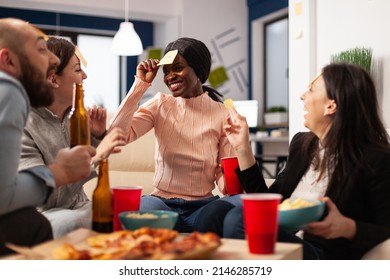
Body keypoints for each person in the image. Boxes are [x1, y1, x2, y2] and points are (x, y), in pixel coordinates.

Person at [202, 62, 390, 259]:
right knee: (214, 212)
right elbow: (268, 200)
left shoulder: (376, 159)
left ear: (331, 106)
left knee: (240, 219)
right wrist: (242, 147)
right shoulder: (302, 145)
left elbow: (385, 228)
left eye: (311, 90)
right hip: (285, 236)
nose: (302, 96)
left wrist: (348, 227)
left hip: (321, 252)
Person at [109, 37, 240, 233]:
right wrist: (140, 85)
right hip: (161, 205)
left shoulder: (222, 113)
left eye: (177, 68)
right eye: (166, 71)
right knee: (143, 210)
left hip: (203, 207)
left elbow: (223, 168)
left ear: (199, 69)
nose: (170, 76)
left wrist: (230, 187)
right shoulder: (160, 104)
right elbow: (116, 133)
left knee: (235, 204)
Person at [0, 18, 96, 256]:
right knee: (33, 224)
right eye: (41, 49)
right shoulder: (9, 90)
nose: (53, 60)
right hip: (47, 214)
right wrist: (58, 172)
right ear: (8, 60)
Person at [18, 36, 126, 238]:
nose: (84, 75)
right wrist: (97, 155)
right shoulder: (21, 124)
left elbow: (81, 177)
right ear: (53, 79)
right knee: (83, 221)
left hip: (79, 207)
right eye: (77, 69)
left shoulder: (73, 118)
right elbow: (42, 196)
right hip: (43, 215)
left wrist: (97, 137)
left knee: (123, 212)